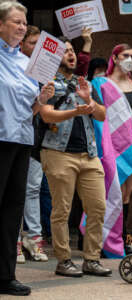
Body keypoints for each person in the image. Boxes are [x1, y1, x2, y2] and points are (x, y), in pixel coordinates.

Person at [39, 37, 111, 278]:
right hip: (58, 153)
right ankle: (64, 259)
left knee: (98, 207)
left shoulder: (85, 83)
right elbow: (47, 116)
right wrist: (75, 110)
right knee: (62, 210)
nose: (70, 55)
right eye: (65, 51)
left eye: (72, 51)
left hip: (89, 155)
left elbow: (101, 115)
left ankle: (91, 259)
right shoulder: (48, 83)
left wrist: (89, 101)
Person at [0, 1, 54, 296]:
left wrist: (42, 98)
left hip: (21, 140)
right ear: (0, 24)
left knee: (12, 210)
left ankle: (5, 275)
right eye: (16, 22)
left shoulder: (26, 63)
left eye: (24, 22)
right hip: (0, 138)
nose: (21, 27)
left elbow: (32, 110)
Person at [91, 43, 132, 256]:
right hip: (109, 145)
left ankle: (120, 237)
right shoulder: (101, 83)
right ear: (115, 57)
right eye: (125, 55)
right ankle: (103, 240)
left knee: (126, 195)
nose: (129, 59)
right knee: (109, 193)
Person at [15, 24, 48, 264]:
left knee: (33, 189)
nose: (36, 48)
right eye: (31, 44)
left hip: (34, 140)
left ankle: (33, 237)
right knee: (13, 191)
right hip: (10, 137)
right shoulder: (12, 67)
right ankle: (14, 239)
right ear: (21, 44)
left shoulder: (43, 73)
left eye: (39, 44)